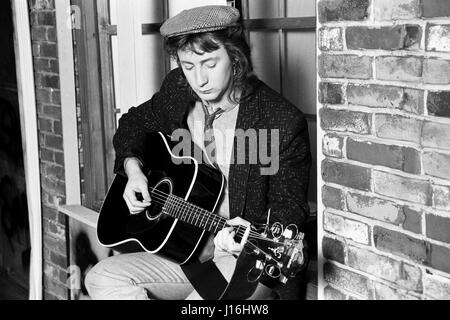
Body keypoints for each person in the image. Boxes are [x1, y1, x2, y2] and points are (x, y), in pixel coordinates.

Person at [85, 5, 311, 300]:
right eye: (188, 66)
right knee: (102, 278)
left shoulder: (280, 120)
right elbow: (133, 123)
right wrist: (133, 169)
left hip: (243, 258)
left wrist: (256, 235)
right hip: (185, 249)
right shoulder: (178, 90)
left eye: (210, 63)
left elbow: (289, 207)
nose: (199, 80)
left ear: (235, 56)